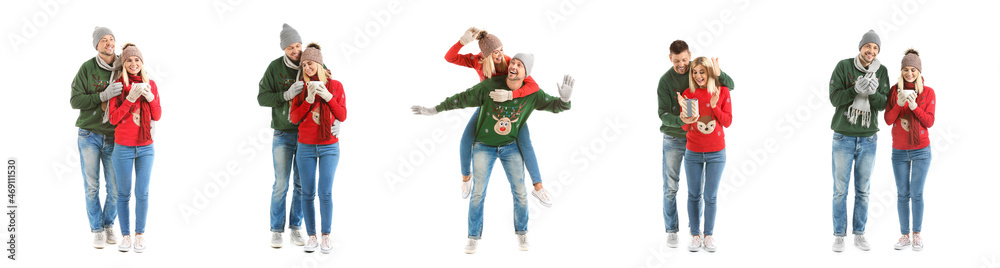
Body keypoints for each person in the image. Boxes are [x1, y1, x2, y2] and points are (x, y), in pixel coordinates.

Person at [412, 53, 573, 254]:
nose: (514, 65)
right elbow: (462, 98)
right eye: (513, 61)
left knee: (520, 192)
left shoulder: (532, 93)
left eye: (520, 65)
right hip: (483, 146)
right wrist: (434, 110)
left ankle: (522, 233)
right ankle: (473, 237)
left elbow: (556, 105)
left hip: (510, 147)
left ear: (526, 74)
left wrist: (565, 99)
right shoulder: (490, 86)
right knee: (478, 193)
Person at [444, 27, 551, 206]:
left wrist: (511, 96)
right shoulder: (476, 61)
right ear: (485, 55)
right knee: (465, 140)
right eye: (495, 52)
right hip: (487, 110)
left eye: (501, 49)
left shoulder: (509, 62)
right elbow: (449, 57)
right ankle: (465, 178)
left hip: (512, 111)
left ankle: (538, 187)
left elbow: (533, 87)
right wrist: (461, 42)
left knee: (525, 143)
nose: (501, 55)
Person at [655, 40, 735, 248]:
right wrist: (684, 118)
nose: (682, 65)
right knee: (673, 187)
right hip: (676, 139)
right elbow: (664, 114)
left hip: (708, 146)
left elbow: (729, 87)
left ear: (689, 56)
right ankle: (676, 231)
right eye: (676, 61)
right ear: (670, 58)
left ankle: (704, 233)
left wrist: (719, 75)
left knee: (707, 194)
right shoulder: (666, 82)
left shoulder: (705, 76)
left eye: (684, 60)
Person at [258, 23, 323, 248]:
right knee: (281, 184)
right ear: (283, 48)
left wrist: (335, 122)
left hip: (307, 135)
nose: (296, 51)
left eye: (298, 45)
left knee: (301, 185)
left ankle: (296, 228)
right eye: (290, 48)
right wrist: (285, 94)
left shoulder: (310, 62)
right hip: (283, 134)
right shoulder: (274, 68)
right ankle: (276, 230)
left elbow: (329, 89)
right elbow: (262, 98)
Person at [828, 30, 890, 252]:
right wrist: (854, 89)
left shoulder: (881, 71)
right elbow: (834, 98)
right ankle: (838, 235)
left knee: (863, 190)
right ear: (860, 47)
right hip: (843, 136)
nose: (871, 51)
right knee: (840, 190)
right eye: (868, 47)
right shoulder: (843, 66)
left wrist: (872, 94)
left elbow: (883, 105)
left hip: (868, 138)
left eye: (875, 48)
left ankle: (859, 234)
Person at [289, 43, 347, 254]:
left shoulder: (336, 86)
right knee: (307, 193)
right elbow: (294, 118)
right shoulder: (301, 88)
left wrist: (328, 97)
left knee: (325, 192)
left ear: (319, 64)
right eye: (304, 64)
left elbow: (342, 115)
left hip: (329, 147)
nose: (307, 67)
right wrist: (308, 100)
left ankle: (326, 237)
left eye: (310, 63)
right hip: (305, 147)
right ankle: (311, 236)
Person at [70, 26, 121, 249]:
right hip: (88, 135)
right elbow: (75, 101)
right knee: (92, 187)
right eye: (104, 40)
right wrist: (102, 95)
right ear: (97, 45)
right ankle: (97, 230)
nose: (109, 43)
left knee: (116, 188)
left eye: (111, 39)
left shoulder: (123, 66)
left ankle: (109, 224)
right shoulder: (87, 68)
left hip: (114, 136)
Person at [108, 43, 161, 253]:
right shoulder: (118, 86)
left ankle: (139, 235)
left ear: (142, 62)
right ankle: (125, 236)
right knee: (123, 194)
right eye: (129, 60)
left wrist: (150, 97)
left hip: (146, 147)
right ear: (123, 64)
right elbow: (113, 119)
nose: (133, 63)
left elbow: (157, 115)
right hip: (123, 147)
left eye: (136, 60)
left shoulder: (152, 85)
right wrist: (130, 99)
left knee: (143, 193)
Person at [677, 57, 732, 253]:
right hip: (693, 151)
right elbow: (685, 126)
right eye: (695, 72)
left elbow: (727, 122)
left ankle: (708, 235)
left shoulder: (722, 91)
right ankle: (695, 235)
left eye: (702, 71)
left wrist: (715, 105)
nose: (698, 76)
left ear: (709, 72)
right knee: (693, 195)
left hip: (717, 153)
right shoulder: (688, 93)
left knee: (710, 196)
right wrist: (685, 114)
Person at [885, 49, 935, 251]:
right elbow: (888, 120)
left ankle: (917, 234)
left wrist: (914, 106)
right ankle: (904, 235)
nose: (909, 73)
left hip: (922, 150)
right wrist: (898, 104)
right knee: (902, 194)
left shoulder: (928, 92)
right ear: (901, 71)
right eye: (905, 69)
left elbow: (929, 122)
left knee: (917, 193)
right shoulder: (894, 90)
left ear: (918, 71)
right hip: (899, 151)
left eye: (913, 69)